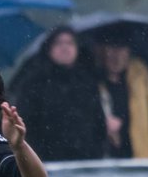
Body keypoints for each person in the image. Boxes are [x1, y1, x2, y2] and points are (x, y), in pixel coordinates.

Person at [12, 26, 107, 161]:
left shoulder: (87, 82)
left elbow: (99, 123)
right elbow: (26, 124)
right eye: (58, 43)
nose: (65, 47)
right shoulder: (34, 83)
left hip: (85, 162)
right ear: (49, 48)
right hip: (47, 163)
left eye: (70, 43)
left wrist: (95, 153)